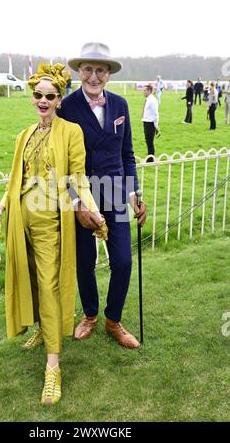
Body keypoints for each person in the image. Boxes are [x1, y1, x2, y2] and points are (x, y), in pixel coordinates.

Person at [0, 62, 104, 405]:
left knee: (51, 286)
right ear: (32, 97)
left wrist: (93, 211)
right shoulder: (24, 135)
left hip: (51, 222)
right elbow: (15, 181)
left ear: (59, 99)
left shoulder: (70, 132)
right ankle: (42, 328)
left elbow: (78, 178)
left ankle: (53, 368)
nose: (42, 100)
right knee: (34, 281)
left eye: (49, 96)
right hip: (20, 219)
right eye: (37, 95)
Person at [57, 42, 147, 350]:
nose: (93, 76)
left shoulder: (121, 105)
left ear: (108, 74)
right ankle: (90, 315)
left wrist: (135, 193)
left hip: (117, 193)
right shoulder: (66, 107)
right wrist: (77, 202)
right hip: (83, 195)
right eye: (88, 70)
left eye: (100, 70)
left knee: (122, 261)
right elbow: (62, 163)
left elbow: (128, 153)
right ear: (79, 72)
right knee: (85, 261)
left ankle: (113, 320)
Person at [142, 84, 160, 162]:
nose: (143, 92)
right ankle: (150, 156)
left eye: (144, 90)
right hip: (146, 121)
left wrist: (156, 125)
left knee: (149, 141)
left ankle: (151, 158)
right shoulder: (148, 99)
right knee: (148, 140)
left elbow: (155, 114)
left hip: (150, 123)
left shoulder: (152, 100)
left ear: (149, 91)